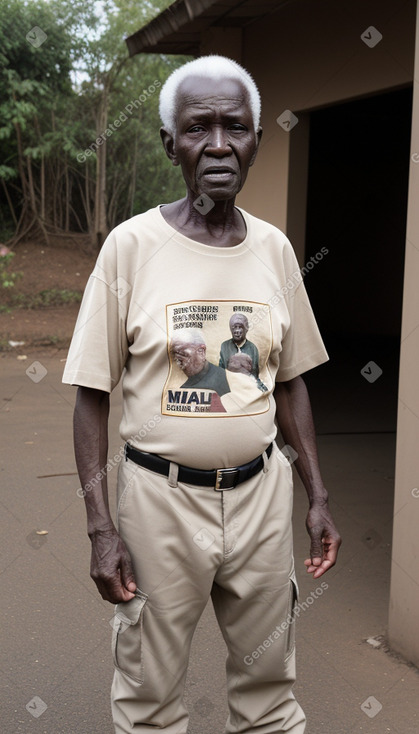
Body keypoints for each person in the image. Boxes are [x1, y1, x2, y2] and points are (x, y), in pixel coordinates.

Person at [63, 54, 341, 734]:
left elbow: (291, 380)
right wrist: (102, 528)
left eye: (234, 127)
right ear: (170, 144)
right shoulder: (130, 249)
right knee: (150, 690)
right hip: (160, 501)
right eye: (198, 128)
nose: (218, 144)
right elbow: (91, 396)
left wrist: (316, 497)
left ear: (254, 140)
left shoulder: (275, 252)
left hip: (261, 500)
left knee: (269, 684)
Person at [171, 329, 231, 396]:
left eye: (183, 354)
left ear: (201, 351)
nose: (178, 361)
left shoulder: (225, 380)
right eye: (174, 355)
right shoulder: (185, 386)